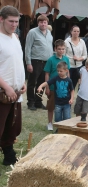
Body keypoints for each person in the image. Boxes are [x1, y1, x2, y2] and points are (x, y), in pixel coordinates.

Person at [0, 5, 27, 165]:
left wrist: (22, 82)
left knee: (13, 128)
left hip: (16, 92)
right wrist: (7, 87)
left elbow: (16, 62)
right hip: (3, 92)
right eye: (11, 21)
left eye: (17, 22)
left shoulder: (15, 38)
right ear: (1, 19)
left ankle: (9, 156)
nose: (14, 25)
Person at [25, 15, 53, 111]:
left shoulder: (49, 33)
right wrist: (28, 63)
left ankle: (38, 101)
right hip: (35, 61)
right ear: (38, 23)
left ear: (47, 23)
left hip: (47, 62)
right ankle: (30, 102)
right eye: (41, 22)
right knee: (32, 83)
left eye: (45, 22)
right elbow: (27, 48)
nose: (43, 24)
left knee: (42, 83)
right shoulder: (32, 32)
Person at [44, 39, 70, 131]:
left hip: (64, 88)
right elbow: (47, 73)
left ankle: (62, 124)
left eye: (63, 49)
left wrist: (69, 84)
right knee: (51, 106)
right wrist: (47, 87)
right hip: (52, 87)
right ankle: (50, 123)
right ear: (55, 49)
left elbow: (68, 72)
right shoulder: (51, 60)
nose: (61, 51)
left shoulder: (66, 59)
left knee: (64, 106)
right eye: (59, 49)